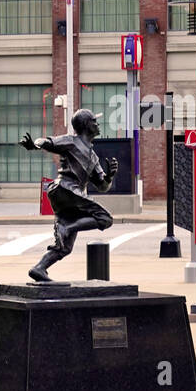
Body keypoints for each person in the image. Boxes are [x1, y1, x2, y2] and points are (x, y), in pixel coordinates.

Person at [20, 109, 118, 282]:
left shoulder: (93, 157)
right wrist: (34, 145)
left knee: (64, 247)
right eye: (95, 121)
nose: (98, 124)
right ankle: (68, 227)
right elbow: (46, 141)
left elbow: (102, 186)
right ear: (87, 125)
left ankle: (39, 268)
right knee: (105, 218)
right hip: (65, 189)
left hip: (68, 197)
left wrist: (109, 177)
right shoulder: (71, 142)